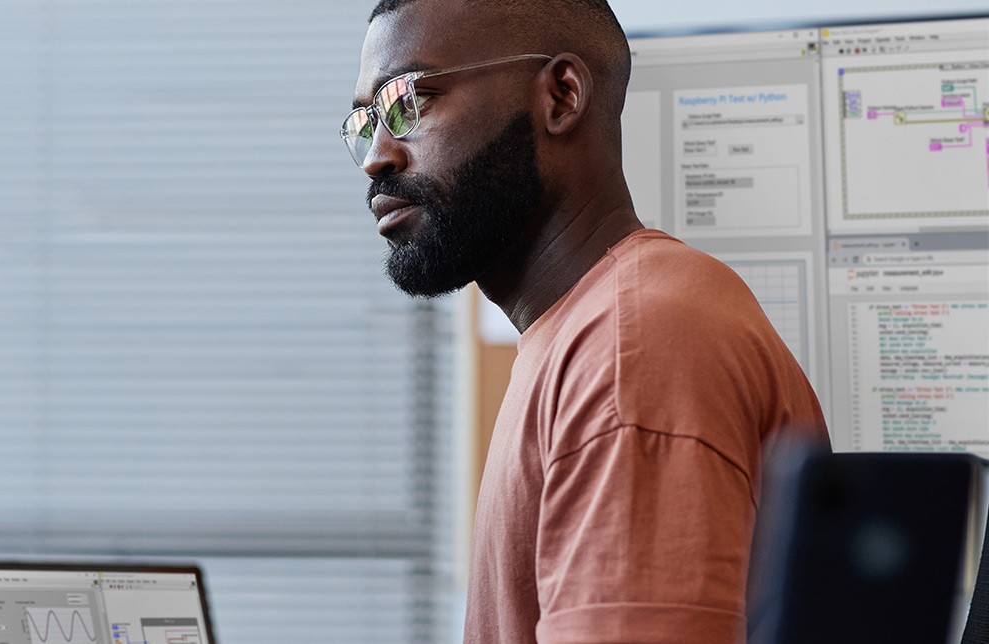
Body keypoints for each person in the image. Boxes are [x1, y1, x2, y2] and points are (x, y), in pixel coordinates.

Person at [341, 0, 829, 641]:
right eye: (365, 121)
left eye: (411, 101)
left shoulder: (633, 344)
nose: (378, 155)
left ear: (562, 96)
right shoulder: (588, 330)